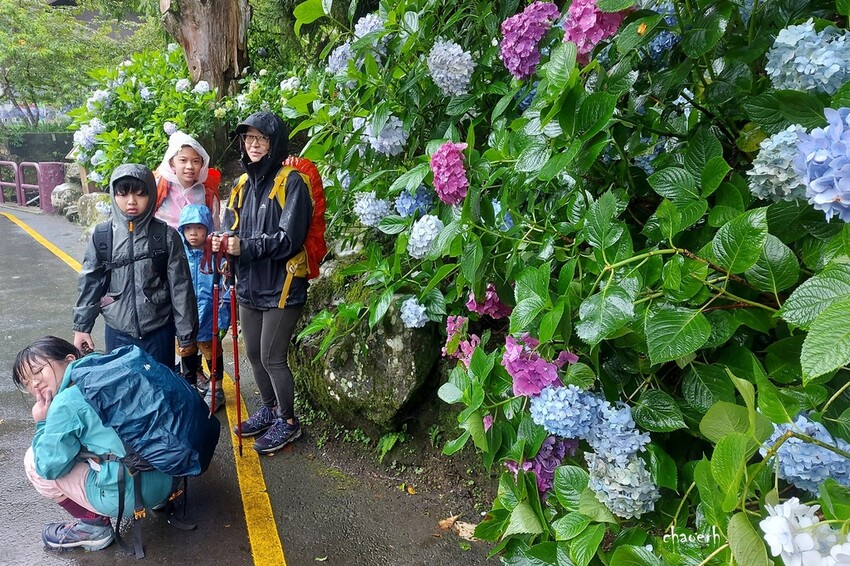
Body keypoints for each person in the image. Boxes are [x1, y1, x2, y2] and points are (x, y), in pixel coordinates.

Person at [13, 336, 173, 551]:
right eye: (26, 383)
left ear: (69, 360)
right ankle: (159, 501)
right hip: (171, 473)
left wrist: (43, 423)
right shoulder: (109, 364)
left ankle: (93, 526)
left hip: (132, 495)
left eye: (38, 371)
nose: (34, 384)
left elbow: (48, 467)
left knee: (34, 461)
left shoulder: (65, 404)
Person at [213, 111, 312, 455]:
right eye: (248, 138)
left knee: (272, 357)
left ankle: (287, 421)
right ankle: (269, 408)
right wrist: (222, 241)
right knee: (253, 353)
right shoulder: (241, 185)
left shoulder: (291, 182)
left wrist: (245, 247)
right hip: (249, 286)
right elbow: (232, 227)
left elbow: (290, 238)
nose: (253, 145)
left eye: (261, 139)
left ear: (275, 143)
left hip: (283, 287)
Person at [73, 163, 199, 368]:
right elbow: (90, 283)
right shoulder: (103, 236)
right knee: (124, 392)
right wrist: (81, 327)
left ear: (151, 195)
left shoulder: (165, 236)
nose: (131, 201)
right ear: (114, 195)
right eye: (123, 194)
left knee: (160, 392)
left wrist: (186, 337)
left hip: (158, 331)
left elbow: (181, 289)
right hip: (117, 331)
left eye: (140, 194)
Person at [177, 203, 230, 411]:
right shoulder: (179, 255)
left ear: (207, 229)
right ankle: (189, 388)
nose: (193, 233)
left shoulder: (217, 256)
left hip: (210, 316)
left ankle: (216, 390)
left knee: (212, 352)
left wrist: (223, 317)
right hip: (185, 318)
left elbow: (226, 288)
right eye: (188, 228)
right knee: (186, 351)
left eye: (199, 228)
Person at [154, 131, 221, 231]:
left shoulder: (207, 193)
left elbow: (215, 230)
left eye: (196, 161)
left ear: (202, 165)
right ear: (172, 163)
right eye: (183, 160)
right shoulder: (157, 186)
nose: (190, 166)